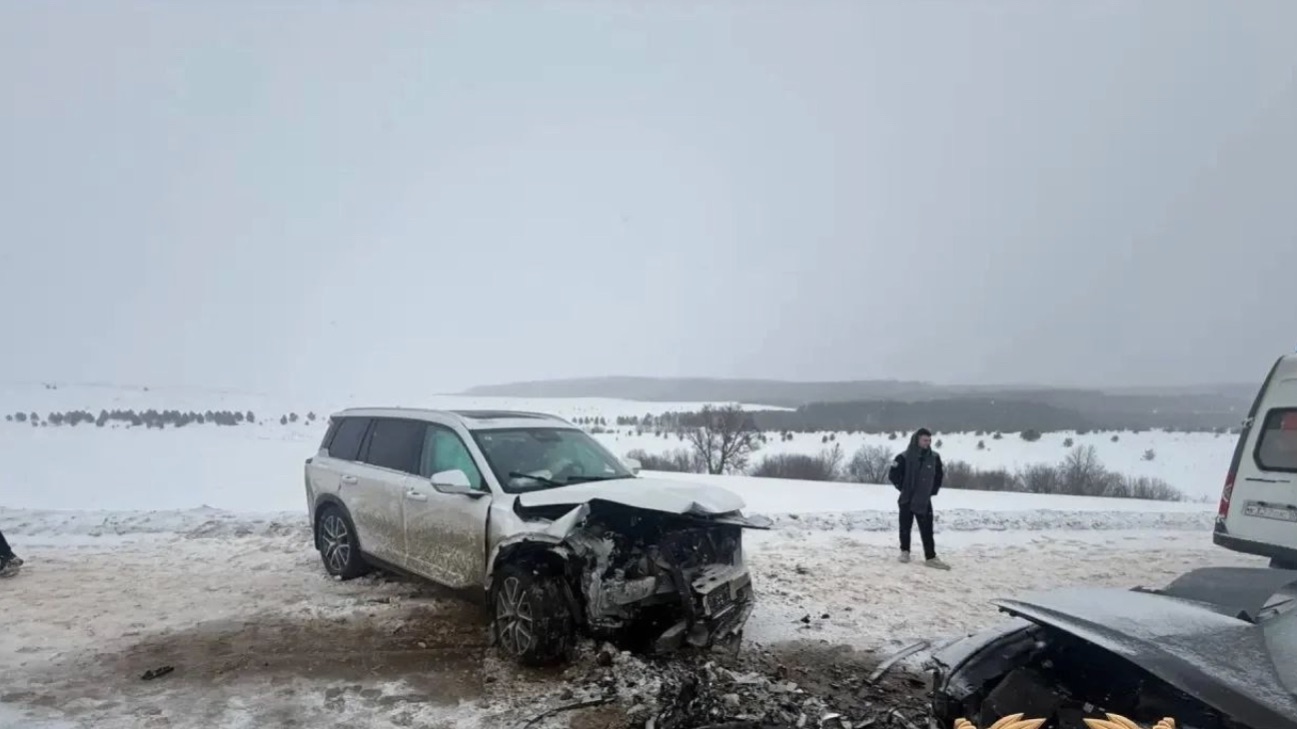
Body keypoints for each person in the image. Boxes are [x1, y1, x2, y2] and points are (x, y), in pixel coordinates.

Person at [888, 428, 950, 570]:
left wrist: (931, 491)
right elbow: (893, 475)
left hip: (923, 499)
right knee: (905, 527)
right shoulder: (903, 457)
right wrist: (903, 488)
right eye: (924, 440)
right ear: (917, 440)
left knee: (927, 529)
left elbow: (938, 476)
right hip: (907, 498)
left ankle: (930, 557)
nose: (927, 443)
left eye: (929, 440)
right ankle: (905, 551)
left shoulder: (934, 457)